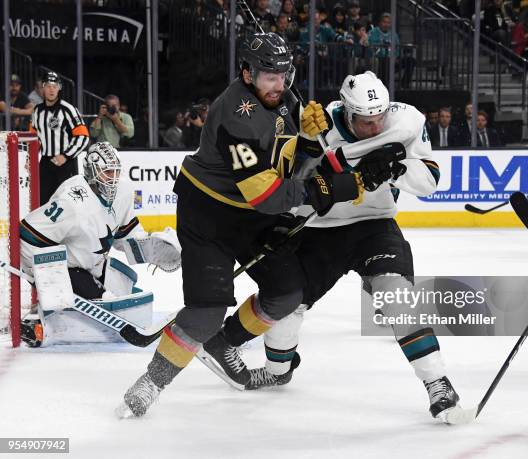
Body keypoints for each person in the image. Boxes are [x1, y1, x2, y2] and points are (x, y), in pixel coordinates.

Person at [117, 32, 362, 418]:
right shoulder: (234, 113)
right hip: (209, 215)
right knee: (206, 311)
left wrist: (312, 140)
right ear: (247, 73)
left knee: (287, 293)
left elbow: (285, 154)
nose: (279, 85)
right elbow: (265, 195)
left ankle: (223, 343)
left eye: (285, 75)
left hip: (250, 215)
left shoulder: (286, 98)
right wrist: (324, 187)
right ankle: (152, 381)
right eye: (269, 76)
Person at [203, 72, 462, 423]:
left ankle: (438, 382)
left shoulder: (407, 120)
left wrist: (394, 169)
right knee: (289, 304)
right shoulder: (318, 122)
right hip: (320, 229)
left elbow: (429, 182)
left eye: (379, 119)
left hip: (375, 224)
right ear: (348, 113)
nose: (375, 127)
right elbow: (290, 180)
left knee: (397, 295)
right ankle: (277, 369)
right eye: (365, 122)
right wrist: (308, 149)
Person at [18, 142, 181, 347]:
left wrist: (150, 246)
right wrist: (46, 275)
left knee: (124, 290)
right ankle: (40, 327)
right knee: (105, 301)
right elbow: (27, 235)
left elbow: (124, 235)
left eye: (115, 171)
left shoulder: (123, 192)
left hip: (94, 263)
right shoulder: (71, 201)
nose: (112, 178)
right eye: (106, 172)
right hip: (70, 268)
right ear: (90, 172)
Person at [30, 71, 89, 204]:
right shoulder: (37, 111)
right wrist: (31, 158)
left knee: (67, 203)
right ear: (42, 88)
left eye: (55, 86)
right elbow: (33, 138)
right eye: (48, 85)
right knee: (43, 203)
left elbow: (83, 136)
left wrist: (66, 155)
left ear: (59, 88)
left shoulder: (68, 109)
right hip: (45, 164)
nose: (52, 89)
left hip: (66, 164)